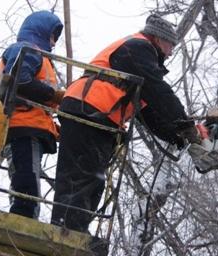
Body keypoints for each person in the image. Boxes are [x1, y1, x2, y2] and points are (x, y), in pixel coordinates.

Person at [50, 14, 201, 232]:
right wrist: (187, 124)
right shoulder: (138, 48)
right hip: (90, 110)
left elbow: (149, 114)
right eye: (171, 45)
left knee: (88, 180)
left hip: (92, 112)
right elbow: (159, 91)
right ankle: (66, 234)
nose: (171, 52)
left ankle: (70, 231)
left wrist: (177, 137)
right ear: (158, 39)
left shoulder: (137, 64)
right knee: (84, 177)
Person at [0, 11, 65, 219]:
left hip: (28, 126)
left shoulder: (38, 57)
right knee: (26, 189)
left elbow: (37, 101)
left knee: (28, 184)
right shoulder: (27, 51)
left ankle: (22, 221)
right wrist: (55, 95)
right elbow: (20, 81)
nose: (53, 43)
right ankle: (18, 228)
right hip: (21, 127)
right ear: (42, 32)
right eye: (53, 36)